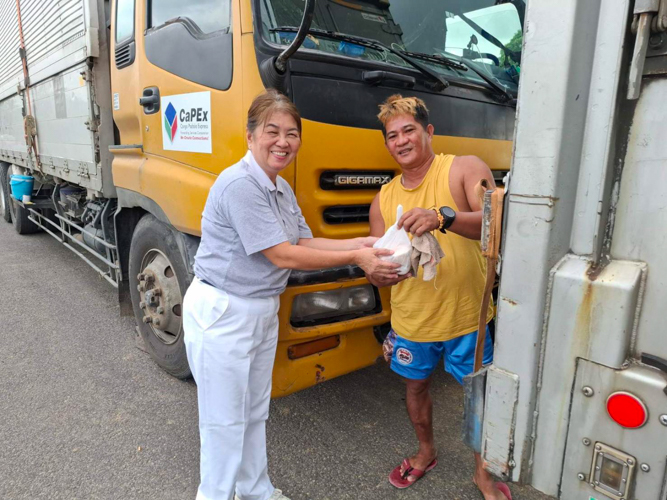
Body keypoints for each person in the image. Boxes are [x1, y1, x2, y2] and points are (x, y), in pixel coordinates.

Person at [183, 89, 399, 500]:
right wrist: (358, 256)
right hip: (224, 312)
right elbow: (283, 255)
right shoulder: (239, 185)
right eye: (272, 131)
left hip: (261, 310)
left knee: (253, 411)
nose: (283, 141)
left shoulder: (279, 189)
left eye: (292, 133)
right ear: (250, 136)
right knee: (224, 422)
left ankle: (255, 489)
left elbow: (305, 240)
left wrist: (365, 241)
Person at [366, 94, 511, 500]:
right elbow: (382, 272)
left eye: (409, 129)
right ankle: (426, 451)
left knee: (481, 394)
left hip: (468, 318)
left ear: (428, 132)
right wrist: (379, 274)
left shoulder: (463, 168)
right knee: (415, 389)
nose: (401, 140)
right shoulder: (383, 199)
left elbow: (496, 222)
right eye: (392, 135)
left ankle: (483, 473)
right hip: (414, 322)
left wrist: (442, 217)